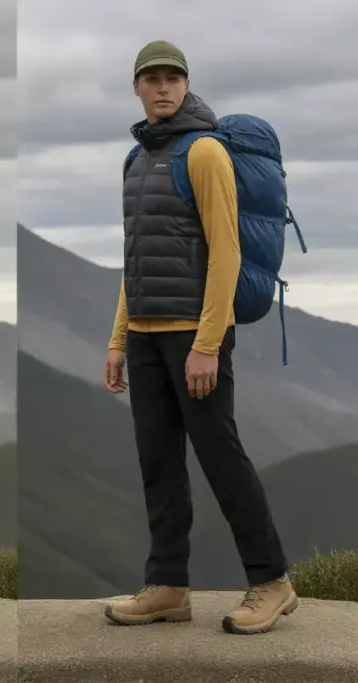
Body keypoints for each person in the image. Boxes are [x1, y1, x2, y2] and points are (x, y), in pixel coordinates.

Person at [102, 40, 297, 635]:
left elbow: (226, 253)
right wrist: (117, 339)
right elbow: (134, 258)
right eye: (151, 78)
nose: (163, 87)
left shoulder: (205, 152)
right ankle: (167, 586)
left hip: (194, 334)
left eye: (173, 78)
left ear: (186, 85)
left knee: (220, 456)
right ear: (136, 87)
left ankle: (271, 581)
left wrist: (209, 343)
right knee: (157, 462)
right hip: (144, 334)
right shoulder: (135, 160)